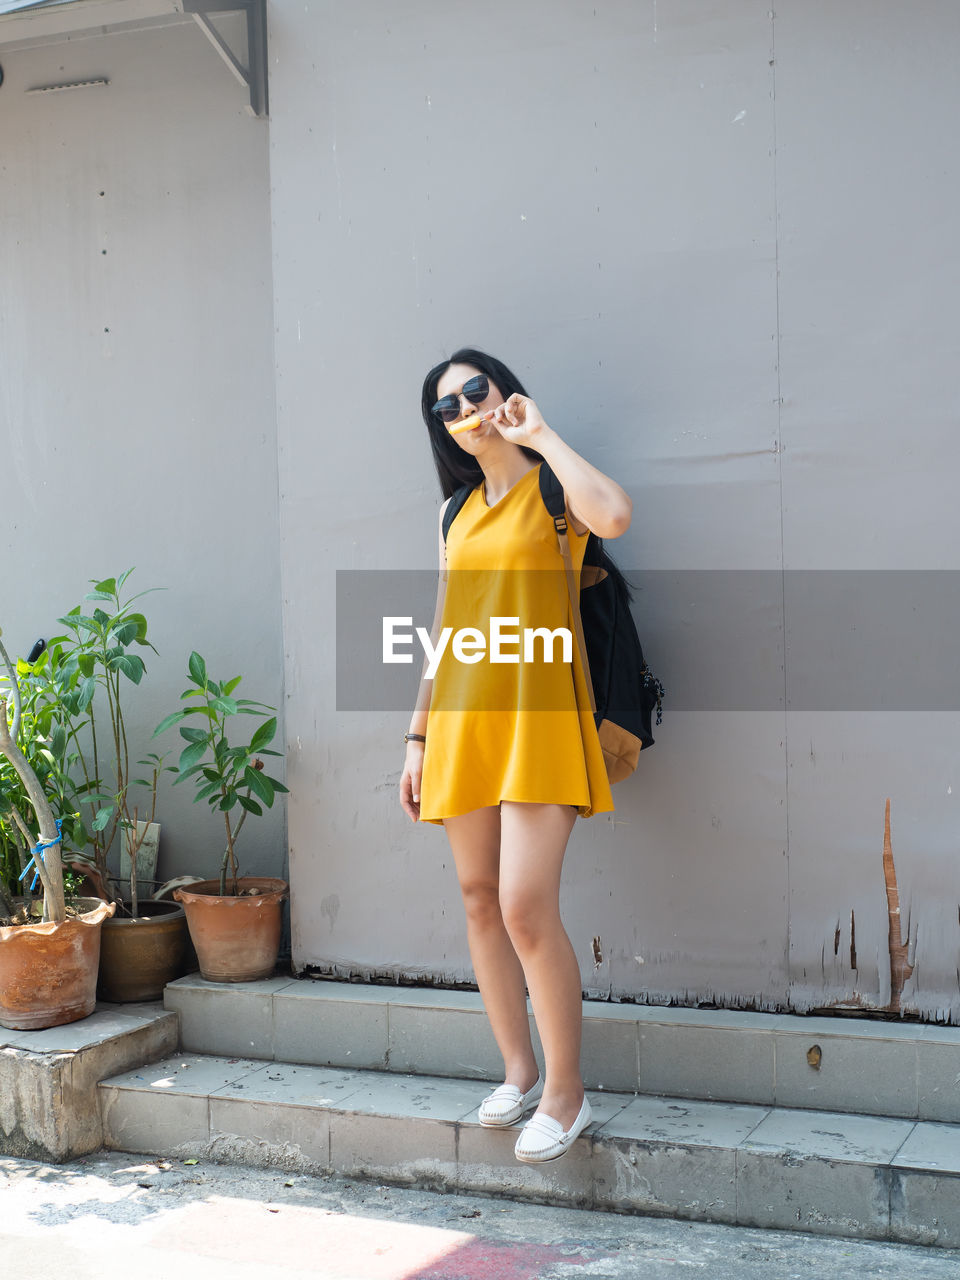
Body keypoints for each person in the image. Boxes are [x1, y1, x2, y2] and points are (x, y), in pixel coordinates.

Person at [399, 348, 632, 1163]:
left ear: (503, 391)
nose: (465, 407)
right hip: (463, 717)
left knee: (525, 906)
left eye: (475, 390)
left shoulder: (552, 488)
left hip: (540, 714)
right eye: (447, 405)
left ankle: (569, 1096)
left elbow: (616, 515)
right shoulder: (453, 514)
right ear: (443, 429)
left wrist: (542, 434)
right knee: (477, 899)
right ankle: (519, 1070)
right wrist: (417, 736)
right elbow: (445, 629)